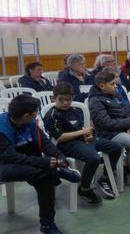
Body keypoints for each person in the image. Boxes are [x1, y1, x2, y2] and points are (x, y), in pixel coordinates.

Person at [0, 95, 81, 234]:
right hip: (5, 165)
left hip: (31, 163)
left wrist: (58, 156)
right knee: (46, 172)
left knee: (45, 177)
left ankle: (47, 224)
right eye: (35, 114)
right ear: (26, 116)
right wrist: (43, 162)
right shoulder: (2, 129)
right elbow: (10, 157)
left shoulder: (30, 123)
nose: (36, 116)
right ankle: (56, 172)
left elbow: (44, 143)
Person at [43, 82, 122, 202]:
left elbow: (80, 129)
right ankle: (84, 188)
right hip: (66, 145)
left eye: (68, 100)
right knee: (94, 158)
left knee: (116, 147)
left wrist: (88, 135)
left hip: (82, 141)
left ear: (72, 98)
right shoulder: (52, 115)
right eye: (61, 100)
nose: (65, 103)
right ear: (54, 98)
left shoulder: (74, 110)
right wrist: (82, 132)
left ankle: (104, 178)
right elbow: (59, 137)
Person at [88, 68, 130, 184]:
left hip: (126, 128)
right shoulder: (95, 100)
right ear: (102, 86)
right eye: (112, 84)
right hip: (109, 133)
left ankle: (127, 164)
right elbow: (106, 123)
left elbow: (127, 110)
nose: (116, 86)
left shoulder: (115, 94)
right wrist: (128, 123)